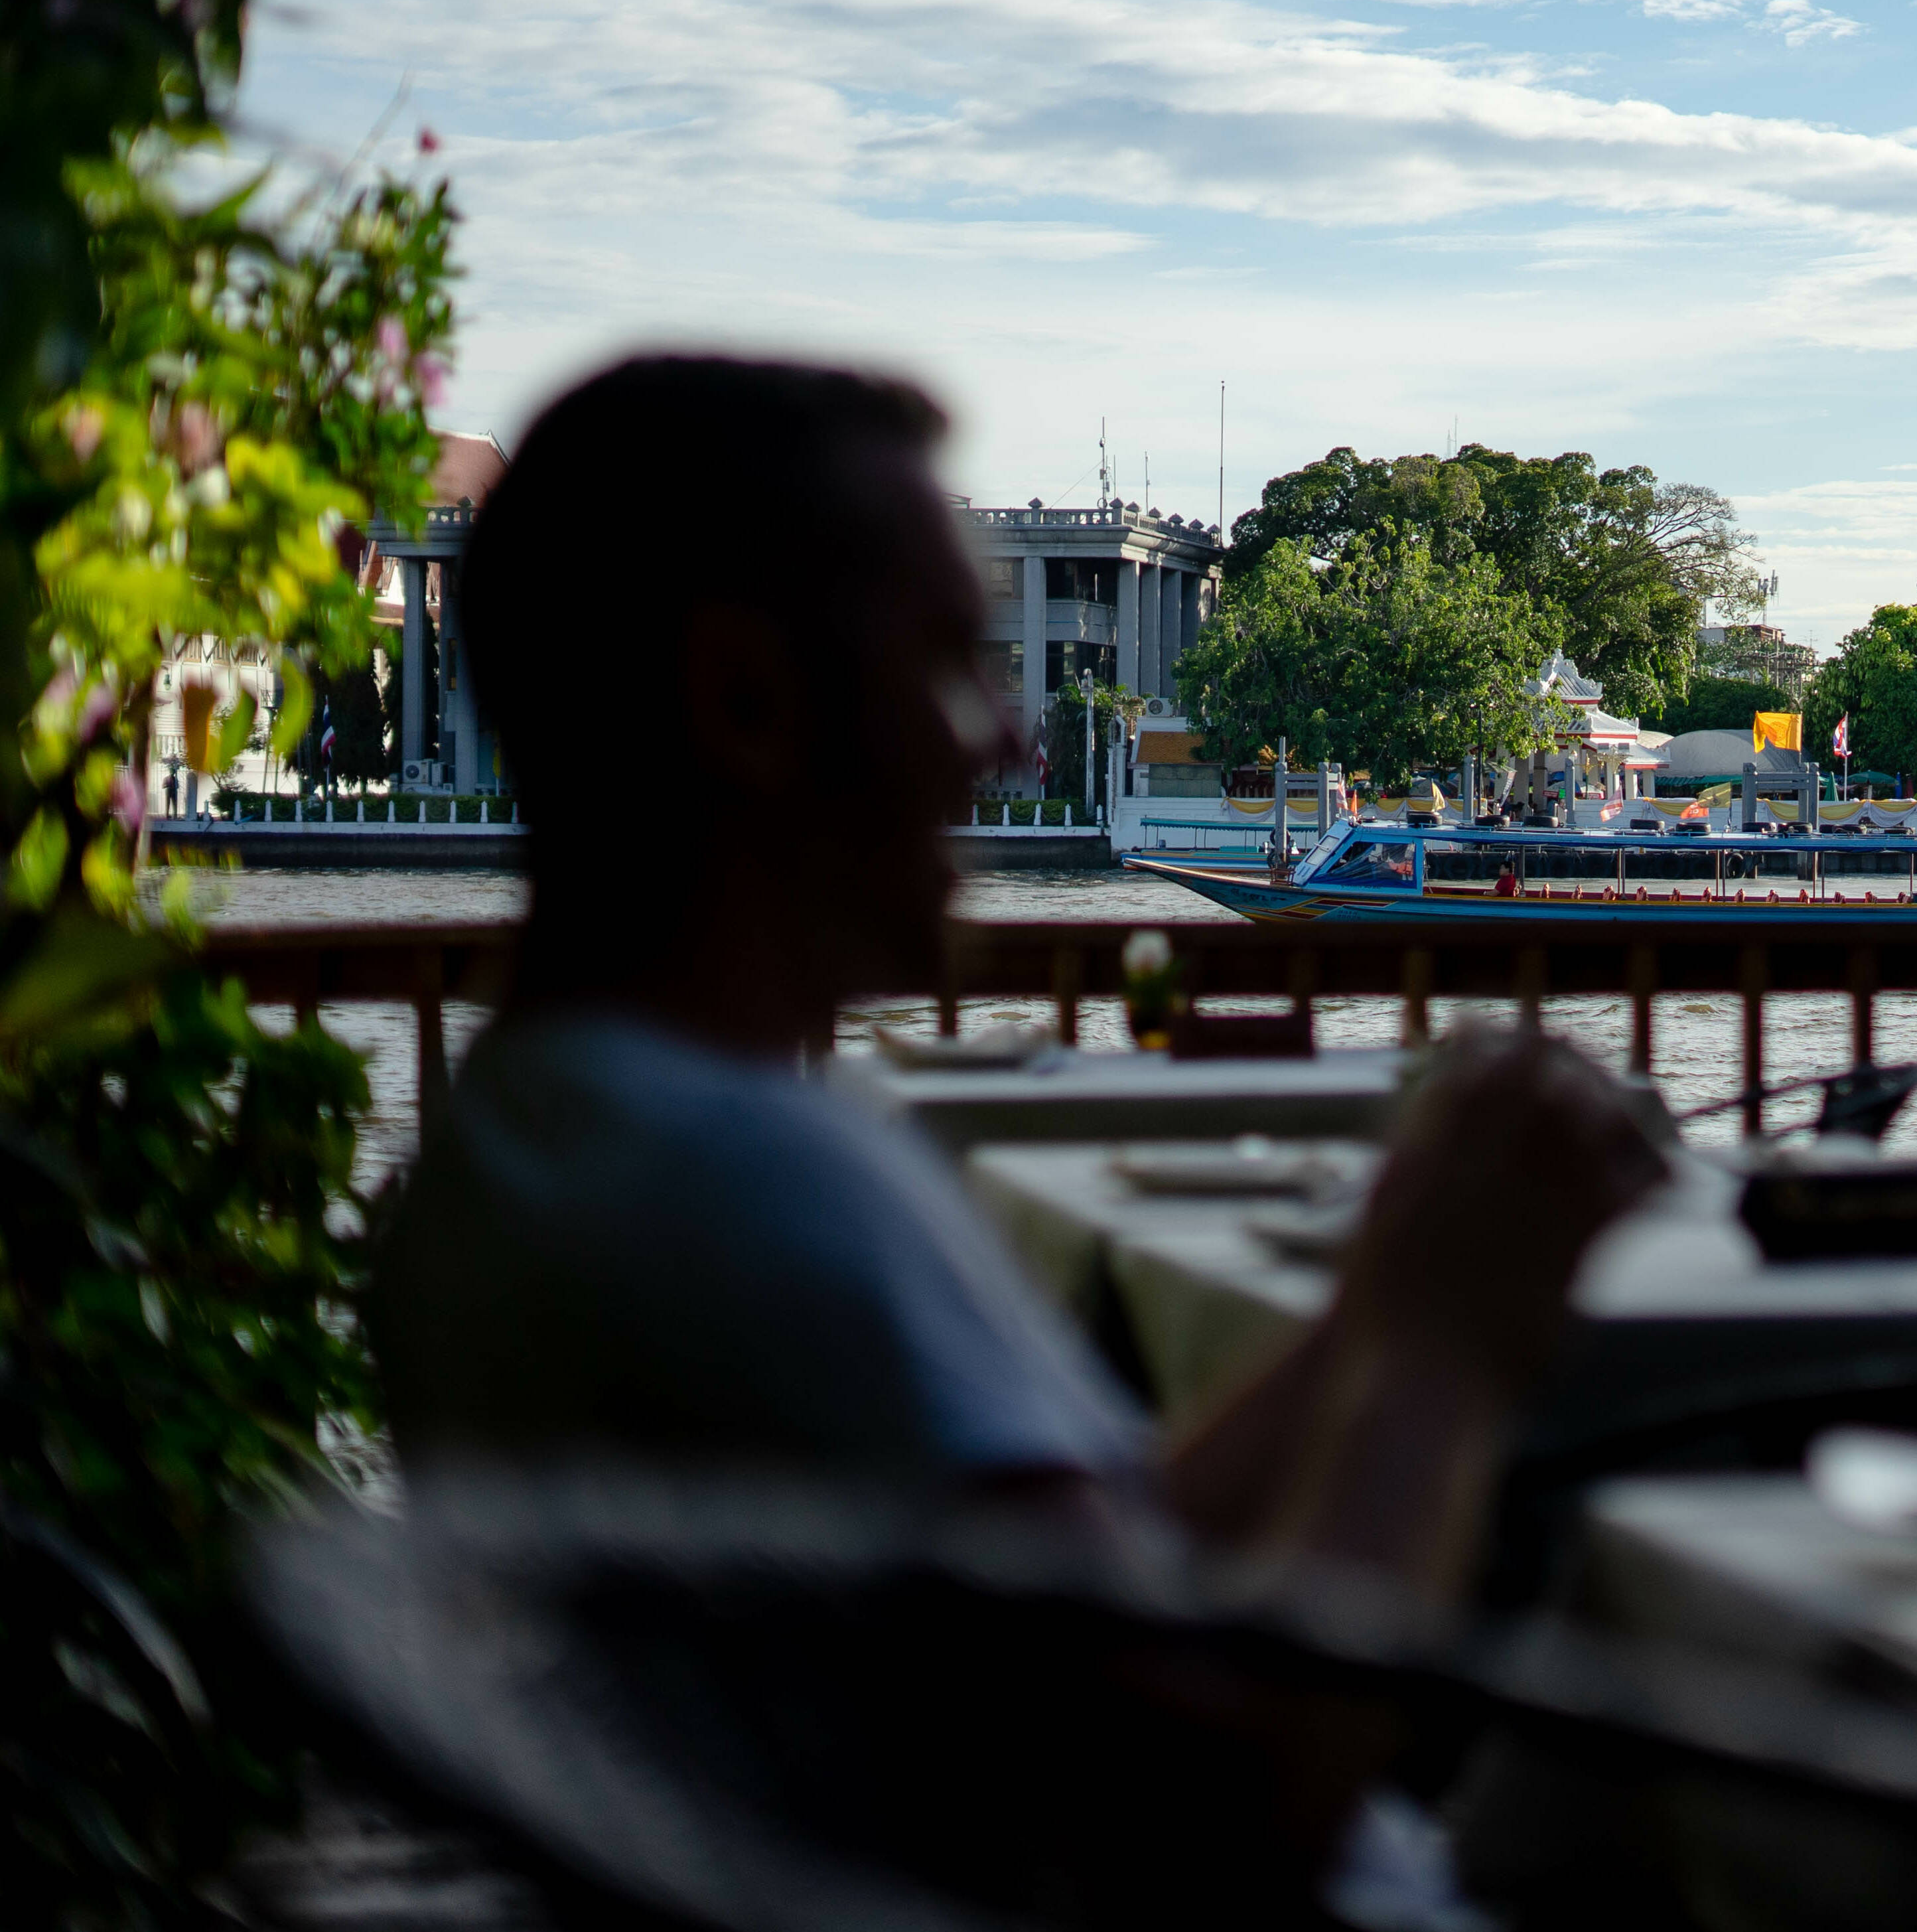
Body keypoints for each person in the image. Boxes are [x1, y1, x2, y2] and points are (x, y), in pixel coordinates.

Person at [369, 355, 1664, 1588]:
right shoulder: (761, 1188)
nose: (1000, 740)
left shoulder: (529, 1141)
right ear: (743, 699)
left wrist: (1382, 1299)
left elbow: (1110, 1559)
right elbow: (1208, 1731)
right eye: (945, 663)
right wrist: (1441, 1353)